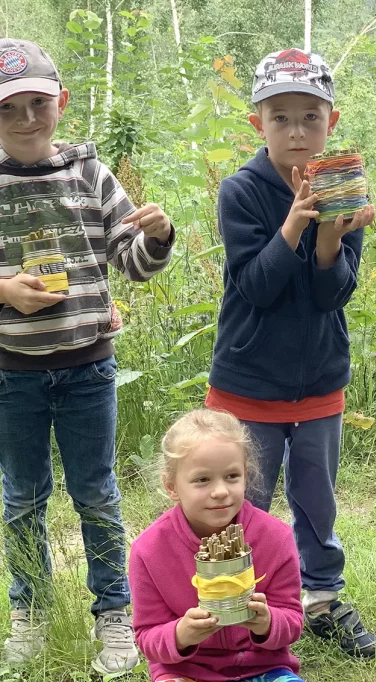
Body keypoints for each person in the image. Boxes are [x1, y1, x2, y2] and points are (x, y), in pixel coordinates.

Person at [0, 38, 175, 672]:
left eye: (38, 104)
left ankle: (114, 614)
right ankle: (32, 611)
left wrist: (156, 238)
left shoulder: (90, 174)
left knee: (97, 494)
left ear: (61, 104)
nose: (25, 121)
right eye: (8, 109)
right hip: (11, 372)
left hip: (87, 367)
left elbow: (132, 262)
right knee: (21, 497)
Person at [204, 48, 376, 658]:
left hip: (320, 384)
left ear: (331, 120)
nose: (298, 131)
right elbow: (255, 285)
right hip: (248, 384)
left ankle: (322, 599)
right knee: (240, 503)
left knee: (316, 499)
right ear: (259, 123)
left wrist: (334, 236)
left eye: (311, 116)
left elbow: (335, 295)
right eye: (281, 117)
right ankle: (229, 606)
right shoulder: (242, 192)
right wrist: (295, 226)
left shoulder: (344, 187)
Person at [129, 409, 305, 682]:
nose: (220, 491)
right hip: (185, 671)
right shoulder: (149, 550)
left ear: (246, 474)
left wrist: (267, 622)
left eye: (232, 476)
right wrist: (180, 635)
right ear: (172, 486)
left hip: (263, 669)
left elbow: (293, 620)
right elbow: (146, 635)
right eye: (202, 480)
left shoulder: (276, 538)